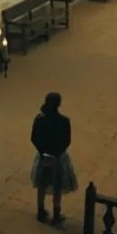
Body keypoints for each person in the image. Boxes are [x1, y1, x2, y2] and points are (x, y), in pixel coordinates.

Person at [30, 92, 79, 224]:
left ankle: (40, 210)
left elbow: (34, 138)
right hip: (58, 157)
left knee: (41, 183)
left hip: (43, 156)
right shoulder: (64, 121)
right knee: (57, 185)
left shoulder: (39, 119)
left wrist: (42, 151)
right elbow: (67, 140)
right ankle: (56, 214)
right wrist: (57, 152)